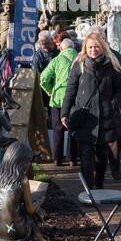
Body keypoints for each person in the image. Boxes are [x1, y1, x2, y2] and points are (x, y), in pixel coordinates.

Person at [61, 29, 121, 187]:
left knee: (101, 156)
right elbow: (70, 90)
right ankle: (88, 189)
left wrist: (114, 102)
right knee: (85, 156)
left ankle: (99, 184)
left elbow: (120, 88)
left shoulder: (111, 64)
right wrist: (64, 113)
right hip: (86, 117)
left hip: (105, 117)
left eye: (96, 47)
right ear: (85, 48)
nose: (93, 50)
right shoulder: (79, 64)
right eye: (90, 47)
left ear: (102, 47)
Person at [40, 36, 76, 165]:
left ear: (61, 48)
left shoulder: (56, 59)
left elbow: (43, 78)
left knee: (58, 129)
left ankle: (57, 159)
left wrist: (50, 91)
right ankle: (72, 158)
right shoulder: (80, 59)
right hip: (75, 99)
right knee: (74, 128)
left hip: (57, 98)